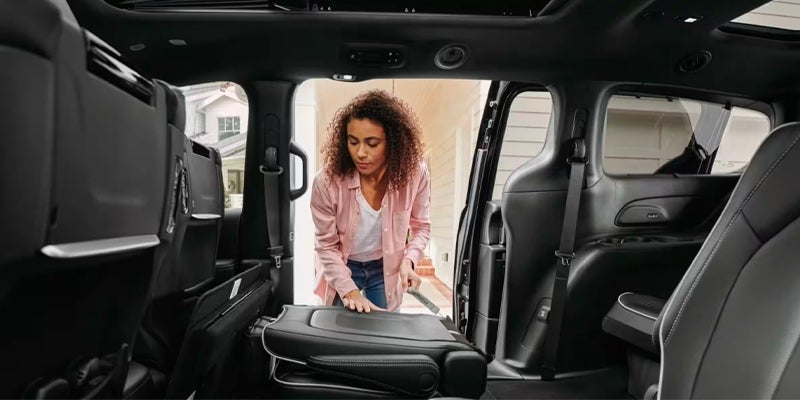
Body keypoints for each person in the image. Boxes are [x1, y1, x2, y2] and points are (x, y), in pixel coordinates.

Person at [311, 89, 431, 313]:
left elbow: (421, 227)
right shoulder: (326, 182)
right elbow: (326, 247)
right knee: (339, 334)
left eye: (372, 143)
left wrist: (409, 261)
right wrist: (350, 291)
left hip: (385, 267)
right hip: (342, 266)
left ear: (393, 143)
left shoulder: (415, 174)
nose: (360, 153)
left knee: (384, 335)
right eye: (353, 142)